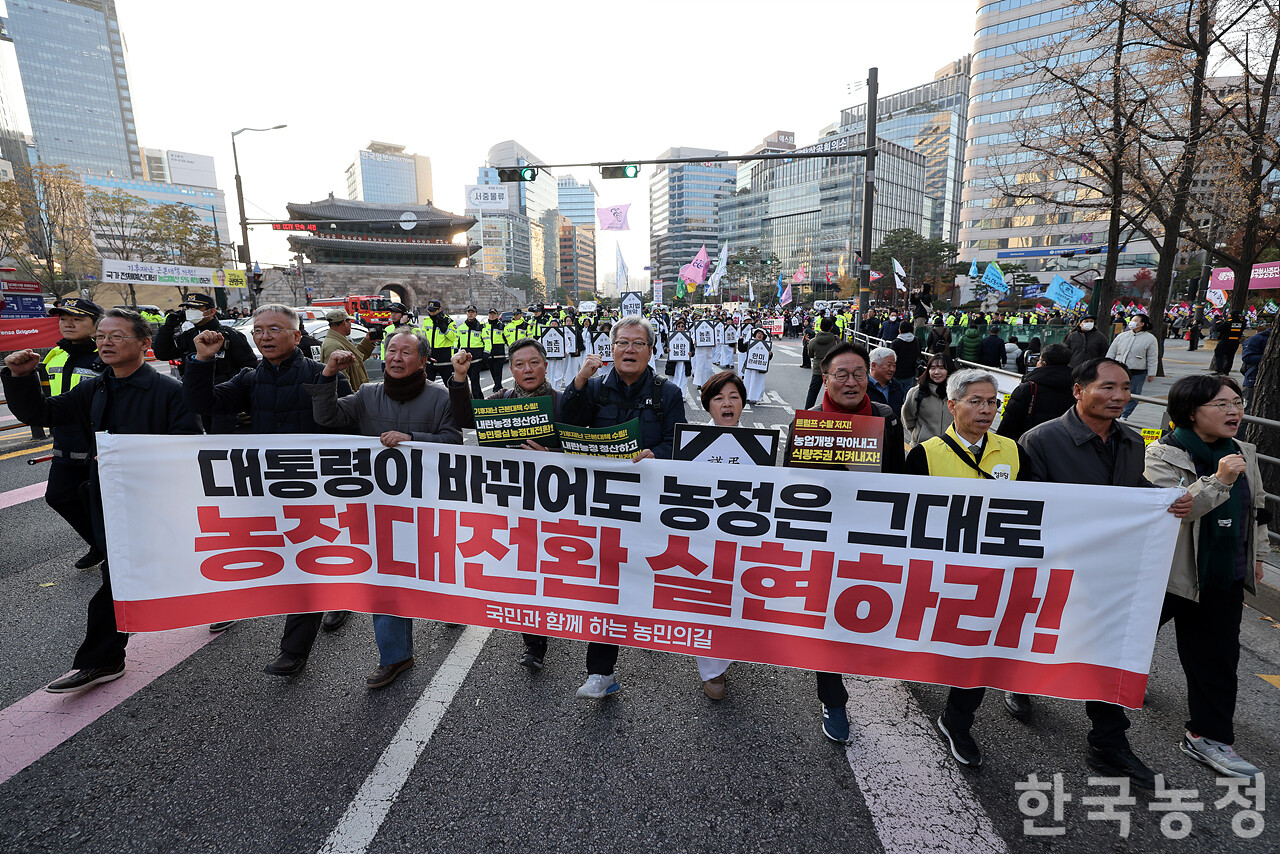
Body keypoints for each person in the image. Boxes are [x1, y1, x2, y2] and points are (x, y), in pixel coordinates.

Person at [2, 309, 201, 693]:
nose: (105, 342)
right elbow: (42, 412)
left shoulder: (169, 392)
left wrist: (136, 459)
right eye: (101, 337)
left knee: (154, 570)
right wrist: (21, 377)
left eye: (117, 336)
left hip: (154, 503)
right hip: (108, 498)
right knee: (120, 576)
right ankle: (105, 659)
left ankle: (224, 604)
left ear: (145, 344)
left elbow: (188, 447)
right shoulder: (94, 388)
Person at [1019, 357, 1193, 789]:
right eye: (1107, 388)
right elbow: (1030, 506)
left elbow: (1134, 492)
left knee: (1106, 649)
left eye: (1124, 389)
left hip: (1112, 571)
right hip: (1056, 567)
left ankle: (1108, 743)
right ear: (1079, 390)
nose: (1119, 396)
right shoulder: (1040, 440)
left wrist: (1167, 500)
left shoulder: (1132, 442)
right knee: (1039, 634)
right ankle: (1020, 680)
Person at [184, 305, 355, 664]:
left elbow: (345, 425)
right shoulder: (249, 378)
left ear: (296, 336)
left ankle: (294, 650)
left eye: (275, 329)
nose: (265, 336)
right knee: (265, 550)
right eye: (259, 330)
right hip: (267, 485)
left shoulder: (320, 374)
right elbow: (203, 403)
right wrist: (202, 360)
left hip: (316, 486)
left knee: (307, 559)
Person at [309, 332, 461, 688]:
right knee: (386, 579)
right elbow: (327, 418)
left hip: (430, 505)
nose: (396, 357)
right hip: (380, 507)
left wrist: (412, 440)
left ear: (422, 361)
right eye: (391, 350)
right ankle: (395, 657)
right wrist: (329, 373)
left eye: (406, 352)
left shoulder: (440, 398)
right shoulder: (367, 395)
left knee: (438, 568)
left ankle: (452, 606)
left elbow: (455, 441)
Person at [905, 369, 1031, 768]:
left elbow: (1035, 508)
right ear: (952, 405)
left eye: (993, 402)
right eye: (976, 401)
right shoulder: (925, 455)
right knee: (929, 639)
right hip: (939, 572)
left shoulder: (1012, 451)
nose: (986, 409)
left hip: (993, 574)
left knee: (978, 647)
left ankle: (958, 721)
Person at [1145, 375, 1268, 780]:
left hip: (1221, 574)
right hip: (1168, 573)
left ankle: (1208, 737)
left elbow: (1257, 510)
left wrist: (1258, 555)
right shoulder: (1161, 455)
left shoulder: (1243, 451)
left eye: (1237, 402)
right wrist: (1220, 480)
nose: (1234, 411)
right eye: (1222, 404)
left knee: (1217, 659)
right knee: (1124, 637)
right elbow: (1176, 511)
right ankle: (1076, 688)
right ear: (1191, 412)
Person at [561, 315, 687, 699]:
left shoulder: (668, 393)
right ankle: (601, 672)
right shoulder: (594, 387)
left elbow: (678, 442)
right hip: (605, 505)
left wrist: (657, 454)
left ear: (651, 350)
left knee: (653, 579)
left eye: (638, 343)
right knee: (607, 586)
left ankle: (655, 631)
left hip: (652, 505)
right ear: (610, 347)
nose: (629, 350)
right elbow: (567, 426)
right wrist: (579, 381)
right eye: (622, 342)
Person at [785, 342, 906, 742]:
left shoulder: (887, 419)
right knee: (825, 623)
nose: (852, 382)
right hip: (823, 541)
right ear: (825, 379)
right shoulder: (807, 423)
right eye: (842, 374)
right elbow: (790, 487)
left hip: (871, 539)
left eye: (858, 374)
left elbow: (901, 483)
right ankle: (833, 700)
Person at [449, 338, 564, 672]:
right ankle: (535, 642)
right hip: (510, 501)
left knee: (555, 572)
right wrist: (459, 378)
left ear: (546, 364)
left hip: (554, 503)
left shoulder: (563, 402)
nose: (527, 370)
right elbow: (465, 419)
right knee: (525, 573)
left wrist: (554, 457)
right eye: (519, 364)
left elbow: (582, 451)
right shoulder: (500, 401)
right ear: (510, 369)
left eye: (534, 363)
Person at [693, 370, 751, 700]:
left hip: (746, 539)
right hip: (705, 539)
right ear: (708, 406)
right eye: (718, 398)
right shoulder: (693, 443)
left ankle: (735, 646)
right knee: (710, 599)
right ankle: (713, 670)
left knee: (741, 598)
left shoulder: (761, 445)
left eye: (734, 397)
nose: (727, 403)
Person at [40, 298, 106, 569]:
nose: (68, 323)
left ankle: (114, 553)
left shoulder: (105, 353)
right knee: (58, 496)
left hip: (98, 442)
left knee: (103, 503)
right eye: (63, 318)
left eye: (77, 319)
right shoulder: (55, 354)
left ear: (95, 326)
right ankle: (99, 544)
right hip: (65, 440)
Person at [151, 292, 256, 433]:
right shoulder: (189, 336)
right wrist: (168, 327)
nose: (189, 312)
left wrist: (247, 401)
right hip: (199, 397)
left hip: (224, 398)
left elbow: (250, 367)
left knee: (221, 440)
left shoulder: (229, 335)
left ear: (211, 311)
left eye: (195, 309)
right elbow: (162, 353)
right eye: (187, 309)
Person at [997, 343, 1075, 441]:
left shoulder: (1029, 388)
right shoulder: (1077, 388)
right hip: (1063, 445)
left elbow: (1009, 423)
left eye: (1039, 360)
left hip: (1029, 444)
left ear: (1044, 364)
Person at [1105, 313, 1160, 419]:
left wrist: (1151, 373)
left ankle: (1125, 415)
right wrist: (1107, 365)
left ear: (1142, 324)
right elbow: (1112, 351)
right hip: (1119, 369)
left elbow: (1152, 357)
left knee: (1133, 394)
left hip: (1138, 371)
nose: (1131, 322)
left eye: (1135, 320)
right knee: (1116, 392)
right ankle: (1115, 412)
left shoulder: (1150, 339)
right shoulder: (1122, 336)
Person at [901, 353, 954, 446]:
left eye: (941, 368)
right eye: (932, 368)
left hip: (951, 449)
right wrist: (918, 435)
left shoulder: (958, 395)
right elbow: (908, 418)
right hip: (923, 448)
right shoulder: (917, 392)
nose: (936, 372)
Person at [320, 309, 378, 391]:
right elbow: (342, 382)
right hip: (350, 401)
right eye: (349, 321)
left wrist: (367, 342)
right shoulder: (334, 345)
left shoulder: (339, 340)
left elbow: (355, 361)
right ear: (344, 323)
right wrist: (352, 399)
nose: (350, 324)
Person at [804, 317, 840, 410]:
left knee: (813, 391)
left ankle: (807, 411)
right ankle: (835, 411)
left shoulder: (813, 341)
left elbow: (810, 354)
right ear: (831, 328)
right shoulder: (835, 340)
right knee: (834, 392)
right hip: (832, 369)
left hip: (818, 369)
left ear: (820, 327)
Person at [420, 299, 458, 383]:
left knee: (450, 385)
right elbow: (423, 339)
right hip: (430, 359)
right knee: (426, 386)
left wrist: (444, 328)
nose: (431, 313)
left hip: (445, 360)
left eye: (433, 311)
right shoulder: (426, 321)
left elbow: (453, 338)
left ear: (439, 309)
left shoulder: (449, 321)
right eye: (429, 310)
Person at [865, 347, 905, 415]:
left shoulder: (897, 386)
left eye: (894, 365)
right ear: (873, 365)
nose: (892, 369)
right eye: (888, 365)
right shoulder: (862, 386)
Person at [740, 328, 773, 404]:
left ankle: (757, 398)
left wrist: (770, 355)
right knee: (748, 381)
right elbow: (741, 349)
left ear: (763, 336)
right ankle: (747, 396)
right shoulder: (750, 343)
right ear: (755, 335)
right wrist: (740, 340)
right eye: (758, 333)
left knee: (759, 383)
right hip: (749, 367)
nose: (759, 335)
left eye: (761, 334)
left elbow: (768, 358)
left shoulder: (766, 345)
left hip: (760, 368)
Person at [1240, 325, 1269, 410]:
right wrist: (1269, 358)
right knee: (1247, 412)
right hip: (1253, 381)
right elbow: (1247, 358)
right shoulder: (1258, 339)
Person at [889, 323, 921, 396]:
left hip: (897, 373)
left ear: (900, 330)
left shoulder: (896, 342)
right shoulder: (916, 340)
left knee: (897, 394)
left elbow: (892, 357)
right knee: (907, 394)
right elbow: (918, 354)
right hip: (910, 372)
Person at [1213, 310, 1247, 375]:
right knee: (1230, 357)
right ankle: (1226, 371)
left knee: (1218, 354)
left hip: (1225, 341)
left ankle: (1219, 370)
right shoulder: (1242, 323)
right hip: (1235, 341)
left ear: (1231, 315)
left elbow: (1218, 329)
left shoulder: (1228, 322)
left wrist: (1218, 323)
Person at [485, 308, 510, 391]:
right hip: (489, 353)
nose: (492, 315)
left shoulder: (502, 326)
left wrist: (512, 349)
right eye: (490, 314)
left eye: (493, 314)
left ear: (497, 315)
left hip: (499, 353)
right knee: (492, 371)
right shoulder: (484, 326)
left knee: (498, 371)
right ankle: (497, 385)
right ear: (488, 315)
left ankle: (497, 387)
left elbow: (508, 339)